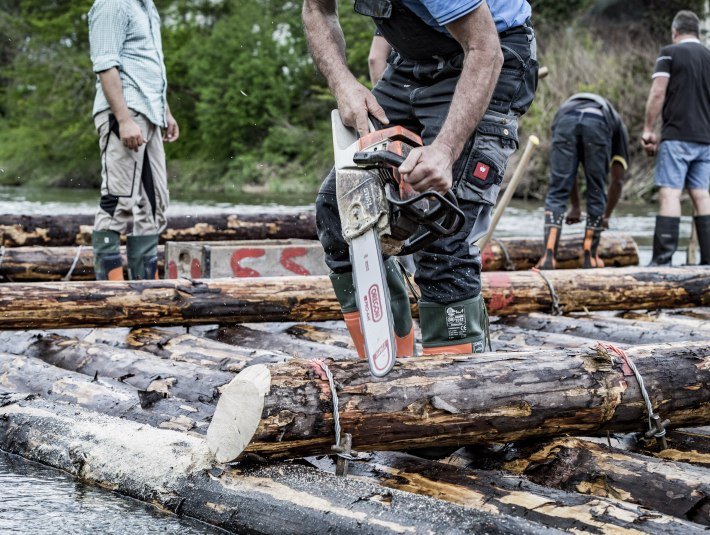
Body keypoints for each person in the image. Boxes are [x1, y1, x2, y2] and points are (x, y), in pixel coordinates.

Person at [303, 0, 538, 355]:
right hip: (410, 61)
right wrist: (343, 83)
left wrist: (444, 150)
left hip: (488, 54)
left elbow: (484, 48)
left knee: (441, 226)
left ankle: (457, 390)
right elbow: (317, 9)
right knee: (340, 208)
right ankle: (389, 361)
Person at [87, 0, 179, 280]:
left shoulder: (146, 7)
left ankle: (145, 297)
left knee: (153, 207)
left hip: (151, 113)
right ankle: (112, 298)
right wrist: (124, 119)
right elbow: (105, 65)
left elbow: (148, 66)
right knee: (119, 201)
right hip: (125, 112)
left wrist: (165, 111)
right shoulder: (112, 4)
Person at [642, 10, 710, 266]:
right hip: (705, 138)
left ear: (675, 31)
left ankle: (663, 261)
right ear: (698, 32)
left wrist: (649, 129)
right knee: (701, 194)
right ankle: (708, 262)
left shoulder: (670, 52)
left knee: (670, 194)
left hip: (677, 135)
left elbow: (658, 92)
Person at [536, 93, 629, 269]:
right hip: (598, 121)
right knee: (596, 189)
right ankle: (590, 256)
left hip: (565, 118)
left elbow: (566, 175)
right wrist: (605, 216)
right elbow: (617, 180)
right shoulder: (619, 127)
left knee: (557, 190)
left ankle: (549, 256)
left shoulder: (569, 109)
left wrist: (577, 206)